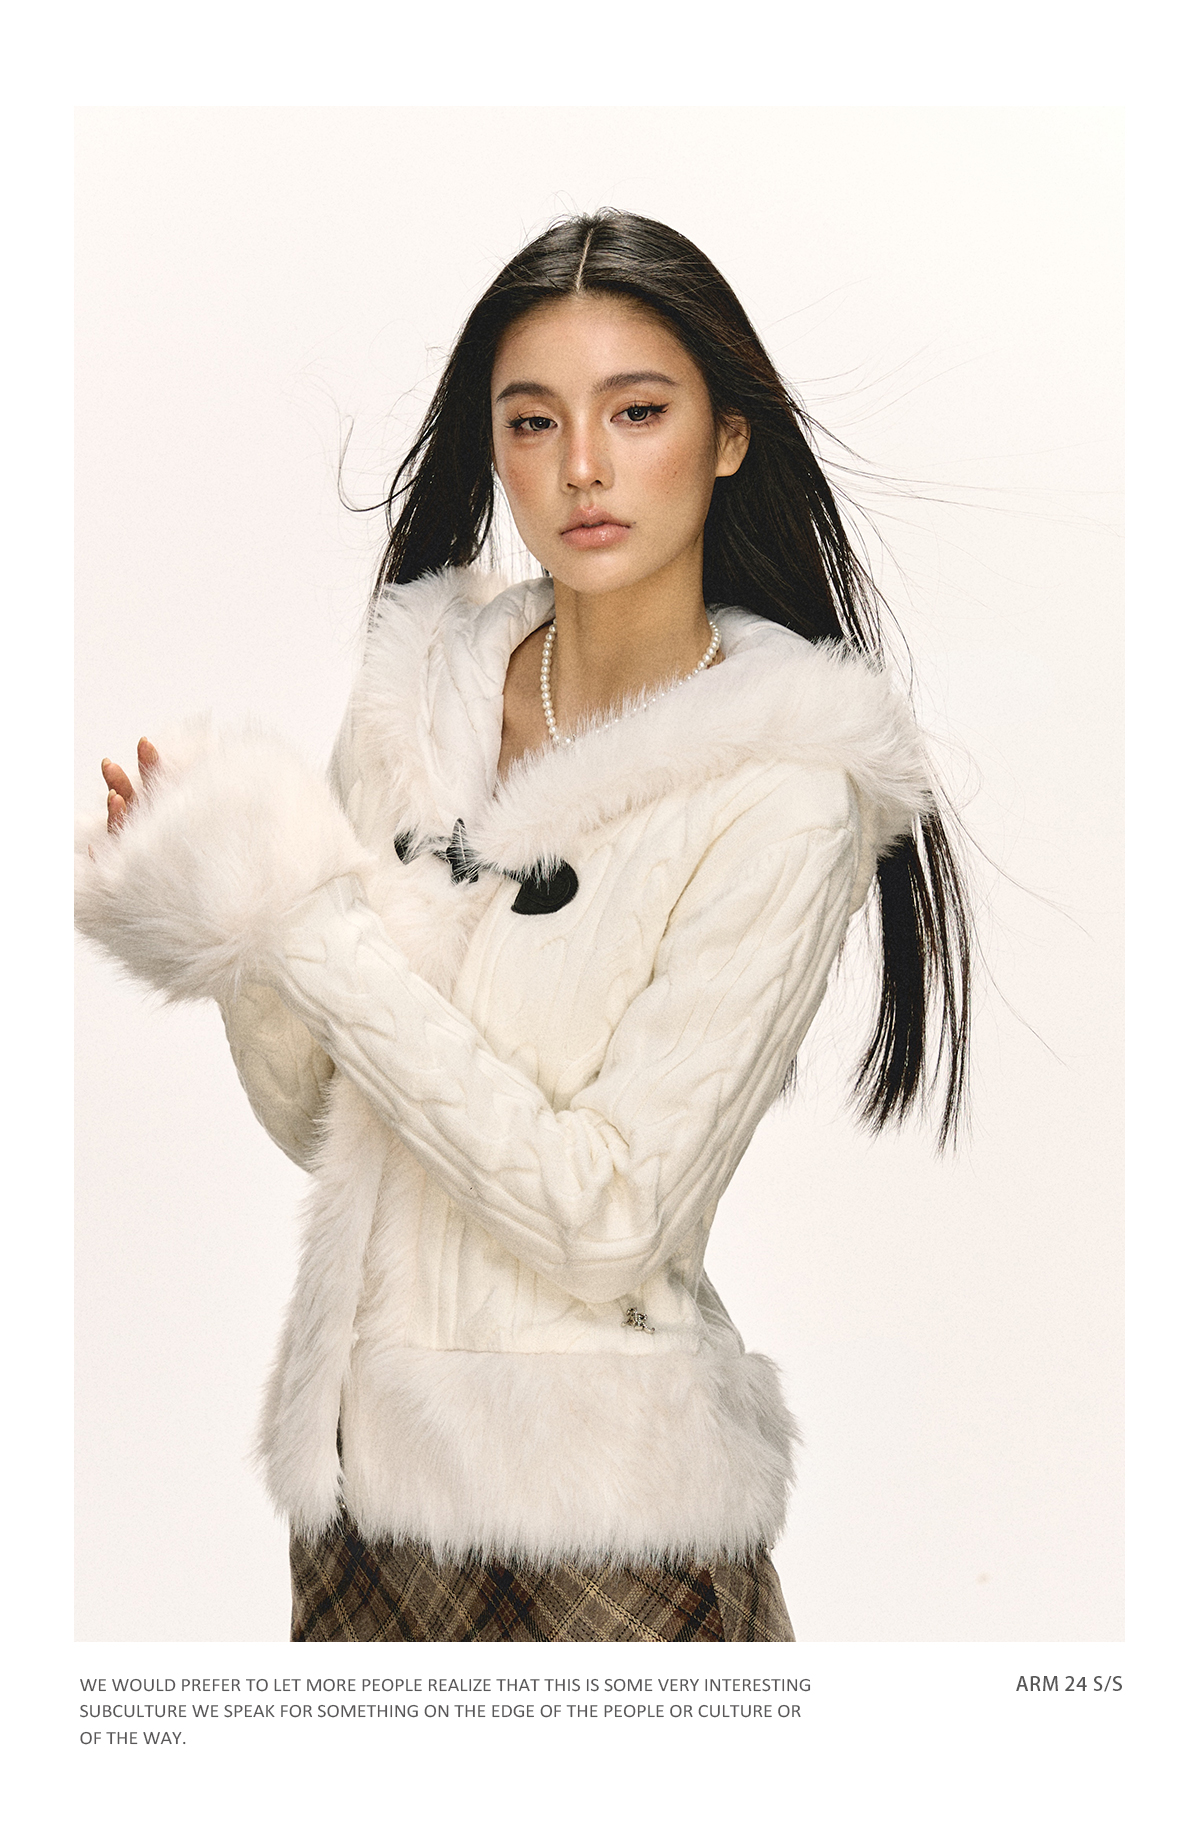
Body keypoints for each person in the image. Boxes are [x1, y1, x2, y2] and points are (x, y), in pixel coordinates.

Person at [76, 210, 971, 1644]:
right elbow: (330, 1126)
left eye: (638, 411)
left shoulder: (779, 790)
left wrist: (303, 926)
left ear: (730, 437)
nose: (583, 468)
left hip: (609, 1528)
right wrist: (227, 904)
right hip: (362, 1517)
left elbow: (607, 1220)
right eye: (534, 421)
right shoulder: (418, 701)